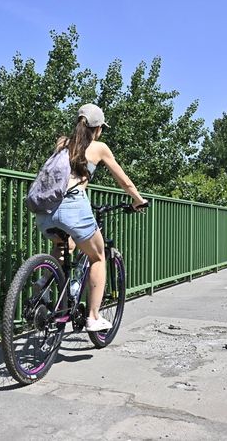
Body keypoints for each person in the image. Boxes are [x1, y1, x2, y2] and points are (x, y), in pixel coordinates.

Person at [35, 103, 148, 331]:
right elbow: (124, 181)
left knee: (66, 243)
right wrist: (138, 200)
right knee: (98, 257)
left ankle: (43, 282)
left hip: (45, 209)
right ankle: (94, 317)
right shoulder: (99, 147)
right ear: (97, 128)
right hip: (73, 207)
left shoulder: (62, 143)